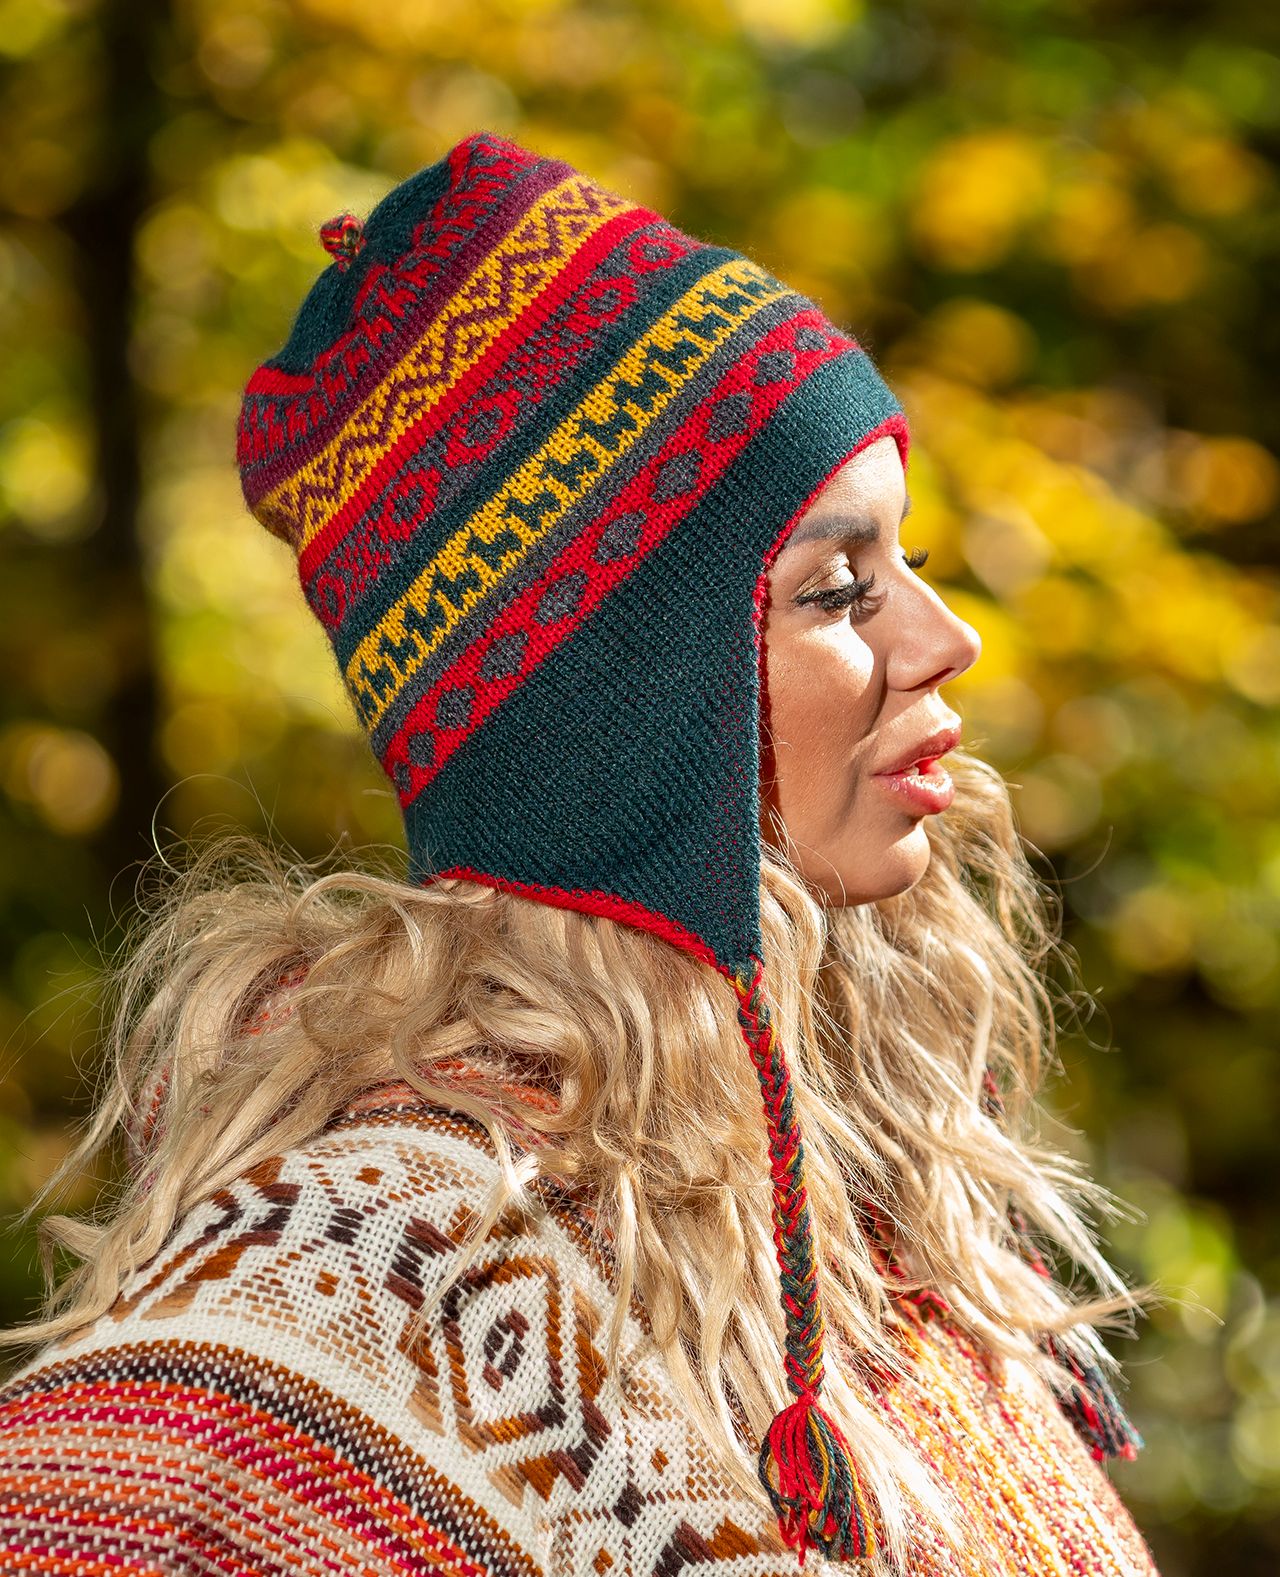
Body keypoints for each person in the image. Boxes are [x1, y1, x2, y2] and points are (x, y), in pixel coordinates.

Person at [0, 129, 1159, 1575]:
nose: (948, 637)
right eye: (837, 588)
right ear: (625, 702)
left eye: (909, 561)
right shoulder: (374, 1271)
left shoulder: (860, 1228)